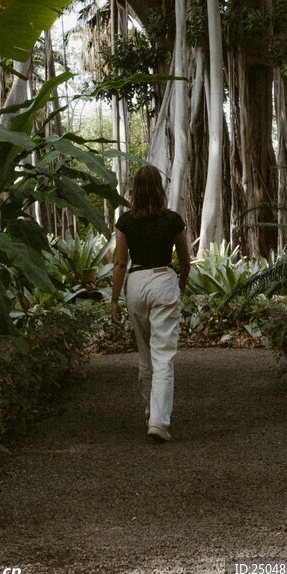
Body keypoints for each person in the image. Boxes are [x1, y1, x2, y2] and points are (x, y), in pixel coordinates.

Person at [111, 165, 191, 443]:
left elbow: (120, 262)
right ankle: (158, 421)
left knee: (145, 357)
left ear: (135, 191)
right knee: (163, 356)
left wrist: (114, 300)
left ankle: (150, 413)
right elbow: (184, 261)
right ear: (159, 188)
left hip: (136, 283)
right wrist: (180, 287)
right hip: (163, 280)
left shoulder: (125, 222)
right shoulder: (173, 220)